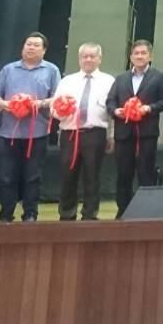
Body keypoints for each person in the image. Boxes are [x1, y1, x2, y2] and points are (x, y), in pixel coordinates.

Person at [0, 32, 61, 222]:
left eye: (36, 45)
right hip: (9, 133)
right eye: (28, 44)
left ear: (44, 50)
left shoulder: (51, 70)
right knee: (7, 176)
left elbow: (58, 98)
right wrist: (9, 105)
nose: (31, 47)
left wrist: (39, 103)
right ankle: (6, 214)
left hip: (37, 133)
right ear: (23, 47)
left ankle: (30, 214)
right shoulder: (8, 69)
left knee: (33, 176)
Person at [107, 39, 163, 217]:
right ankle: (123, 211)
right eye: (136, 53)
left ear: (150, 56)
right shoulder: (121, 78)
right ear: (131, 57)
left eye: (143, 53)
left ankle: (147, 212)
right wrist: (116, 110)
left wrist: (148, 108)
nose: (139, 56)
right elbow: (110, 101)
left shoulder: (159, 76)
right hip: (124, 134)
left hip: (146, 133)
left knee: (146, 173)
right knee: (123, 175)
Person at [53, 42, 115, 221]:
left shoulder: (109, 81)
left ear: (99, 59)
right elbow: (53, 108)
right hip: (69, 133)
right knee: (68, 175)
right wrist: (60, 111)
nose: (88, 59)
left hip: (95, 133)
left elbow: (112, 112)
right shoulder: (67, 81)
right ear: (79, 59)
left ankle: (90, 214)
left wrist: (111, 135)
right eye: (84, 56)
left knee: (92, 175)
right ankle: (66, 214)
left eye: (92, 56)